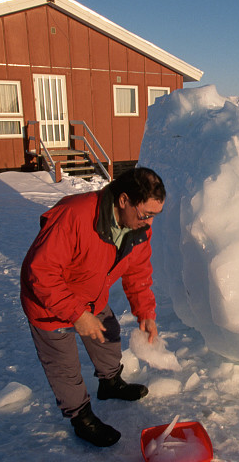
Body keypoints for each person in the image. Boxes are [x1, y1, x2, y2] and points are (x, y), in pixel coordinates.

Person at [20, 167, 166, 447]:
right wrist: (76, 314)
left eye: (154, 216)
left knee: (108, 336)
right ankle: (81, 417)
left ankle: (110, 383)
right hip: (49, 303)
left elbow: (137, 273)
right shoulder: (74, 215)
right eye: (145, 214)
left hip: (91, 295)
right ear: (123, 200)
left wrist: (145, 313)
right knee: (65, 367)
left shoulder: (137, 229)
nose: (148, 223)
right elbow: (41, 272)